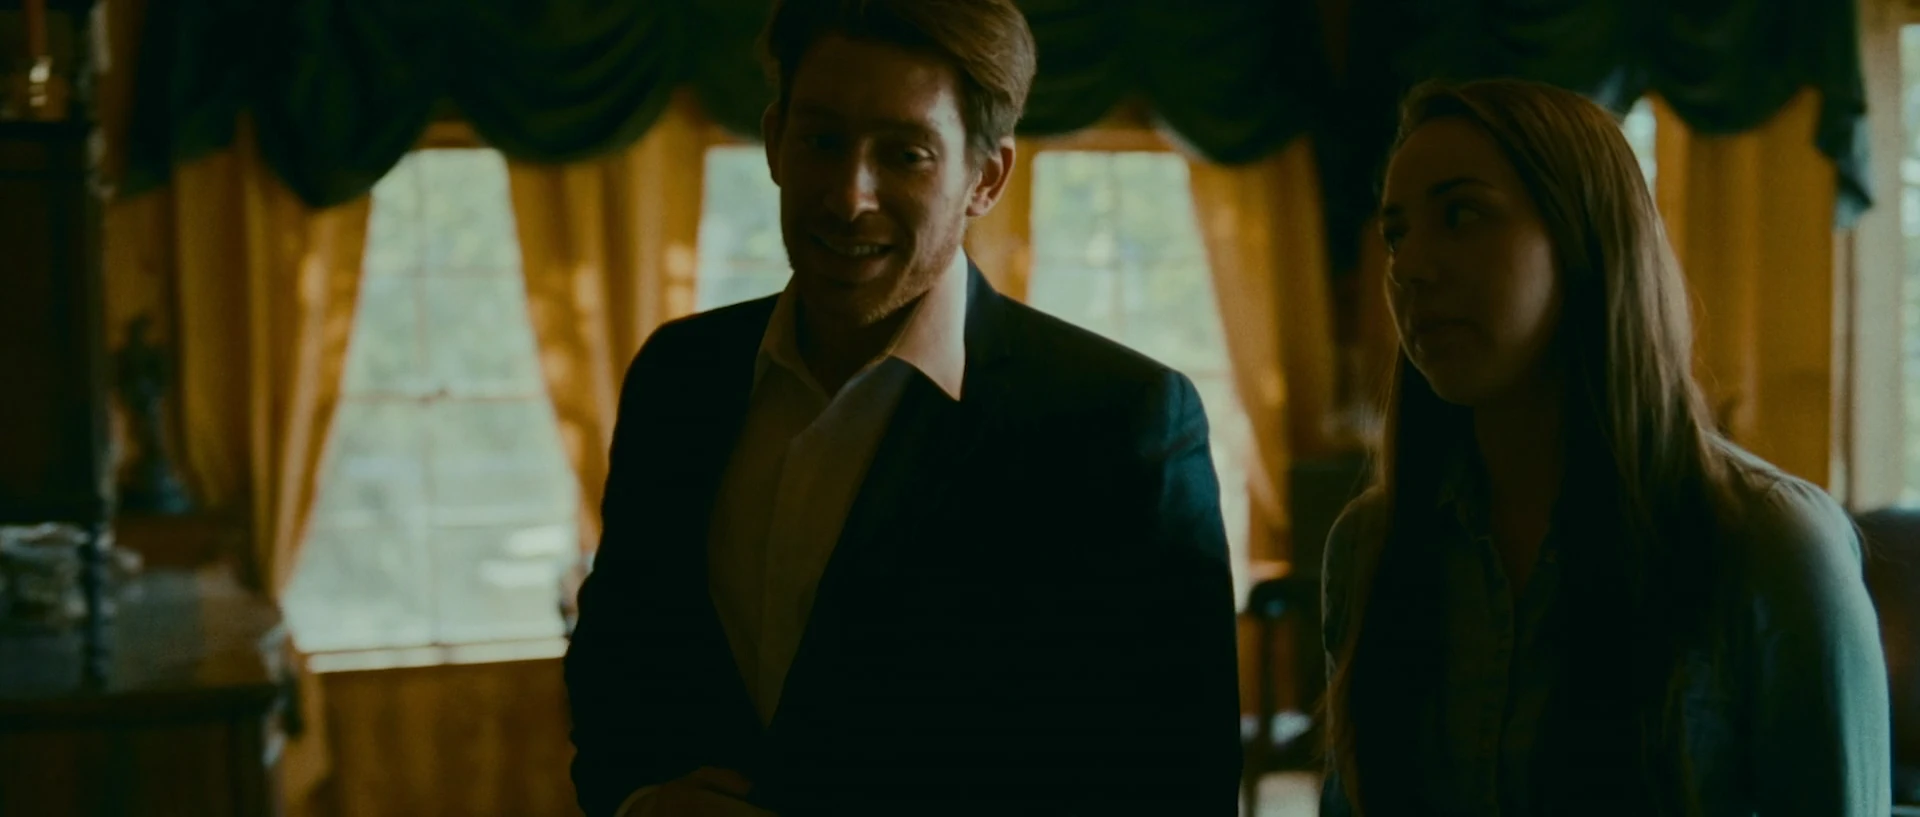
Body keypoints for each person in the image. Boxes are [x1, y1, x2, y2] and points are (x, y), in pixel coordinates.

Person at [562, 1, 1242, 814]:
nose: (849, 196)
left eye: (905, 154)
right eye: (822, 141)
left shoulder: (1118, 422)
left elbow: (1177, 777)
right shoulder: (679, 377)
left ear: (985, 179)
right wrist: (639, 800)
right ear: (775, 141)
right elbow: (614, 667)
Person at [1319, 78, 1891, 816]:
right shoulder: (1369, 547)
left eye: (1462, 215)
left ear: (1585, 238)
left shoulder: (1768, 546)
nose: (1409, 267)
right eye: (1396, 233)